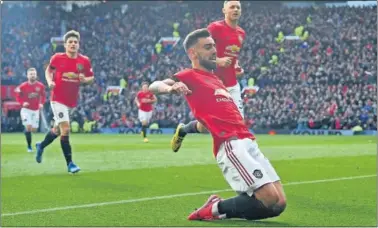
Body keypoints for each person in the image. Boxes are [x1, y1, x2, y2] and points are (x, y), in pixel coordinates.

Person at [149, 28, 286, 221]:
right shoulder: (188, 74)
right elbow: (154, 86)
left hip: (248, 140)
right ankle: (214, 208)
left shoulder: (216, 79)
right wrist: (170, 88)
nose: (214, 50)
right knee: (269, 198)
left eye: (214, 46)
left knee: (279, 204)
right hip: (230, 143)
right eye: (208, 47)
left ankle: (222, 208)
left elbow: (207, 123)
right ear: (193, 53)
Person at [171, 0, 246, 152]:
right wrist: (218, 61)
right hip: (212, 83)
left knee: (237, 123)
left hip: (231, 85)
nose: (235, 9)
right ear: (224, 10)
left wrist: (236, 68)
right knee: (207, 126)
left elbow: (232, 56)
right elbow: (198, 48)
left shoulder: (241, 33)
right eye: (232, 7)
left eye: (238, 7)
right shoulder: (215, 28)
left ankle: (237, 159)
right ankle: (184, 130)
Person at [35, 30, 94, 174]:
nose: (73, 44)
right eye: (70, 42)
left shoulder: (84, 61)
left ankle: (41, 146)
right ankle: (70, 164)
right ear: (65, 45)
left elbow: (91, 77)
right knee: (66, 130)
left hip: (71, 102)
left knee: (57, 130)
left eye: (75, 42)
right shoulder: (57, 58)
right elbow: (48, 71)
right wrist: (50, 82)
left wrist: (85, 80)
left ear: (78, 45)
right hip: (57, 99)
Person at [15, 68, 46, 152]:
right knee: (28, 127)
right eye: (31, 74)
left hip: (35, 110)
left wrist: (41, 103)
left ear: (36, 75)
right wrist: (22, 103)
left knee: (34, 129)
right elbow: (17, 95)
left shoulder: (40, 86)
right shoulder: (23, 86)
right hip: (26, 110)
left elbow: (43, 96)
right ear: (27, 75)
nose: (32, 75)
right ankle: (29, 147)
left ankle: (27, 132)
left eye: (34, 74)